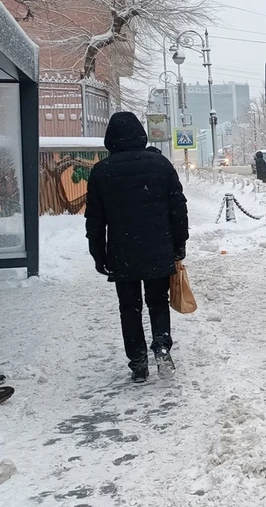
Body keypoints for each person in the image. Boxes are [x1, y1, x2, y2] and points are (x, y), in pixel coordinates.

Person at [85, 112, 189, 383]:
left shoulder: (102, 172)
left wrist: (99, 254)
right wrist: (179, 245)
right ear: (141, 135)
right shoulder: (160, 164)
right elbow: (177, 209)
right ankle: (162, 344)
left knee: (129, 307)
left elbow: (95, 219)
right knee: (157, 301)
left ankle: (138, 361)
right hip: (158, 248)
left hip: (122, 252)